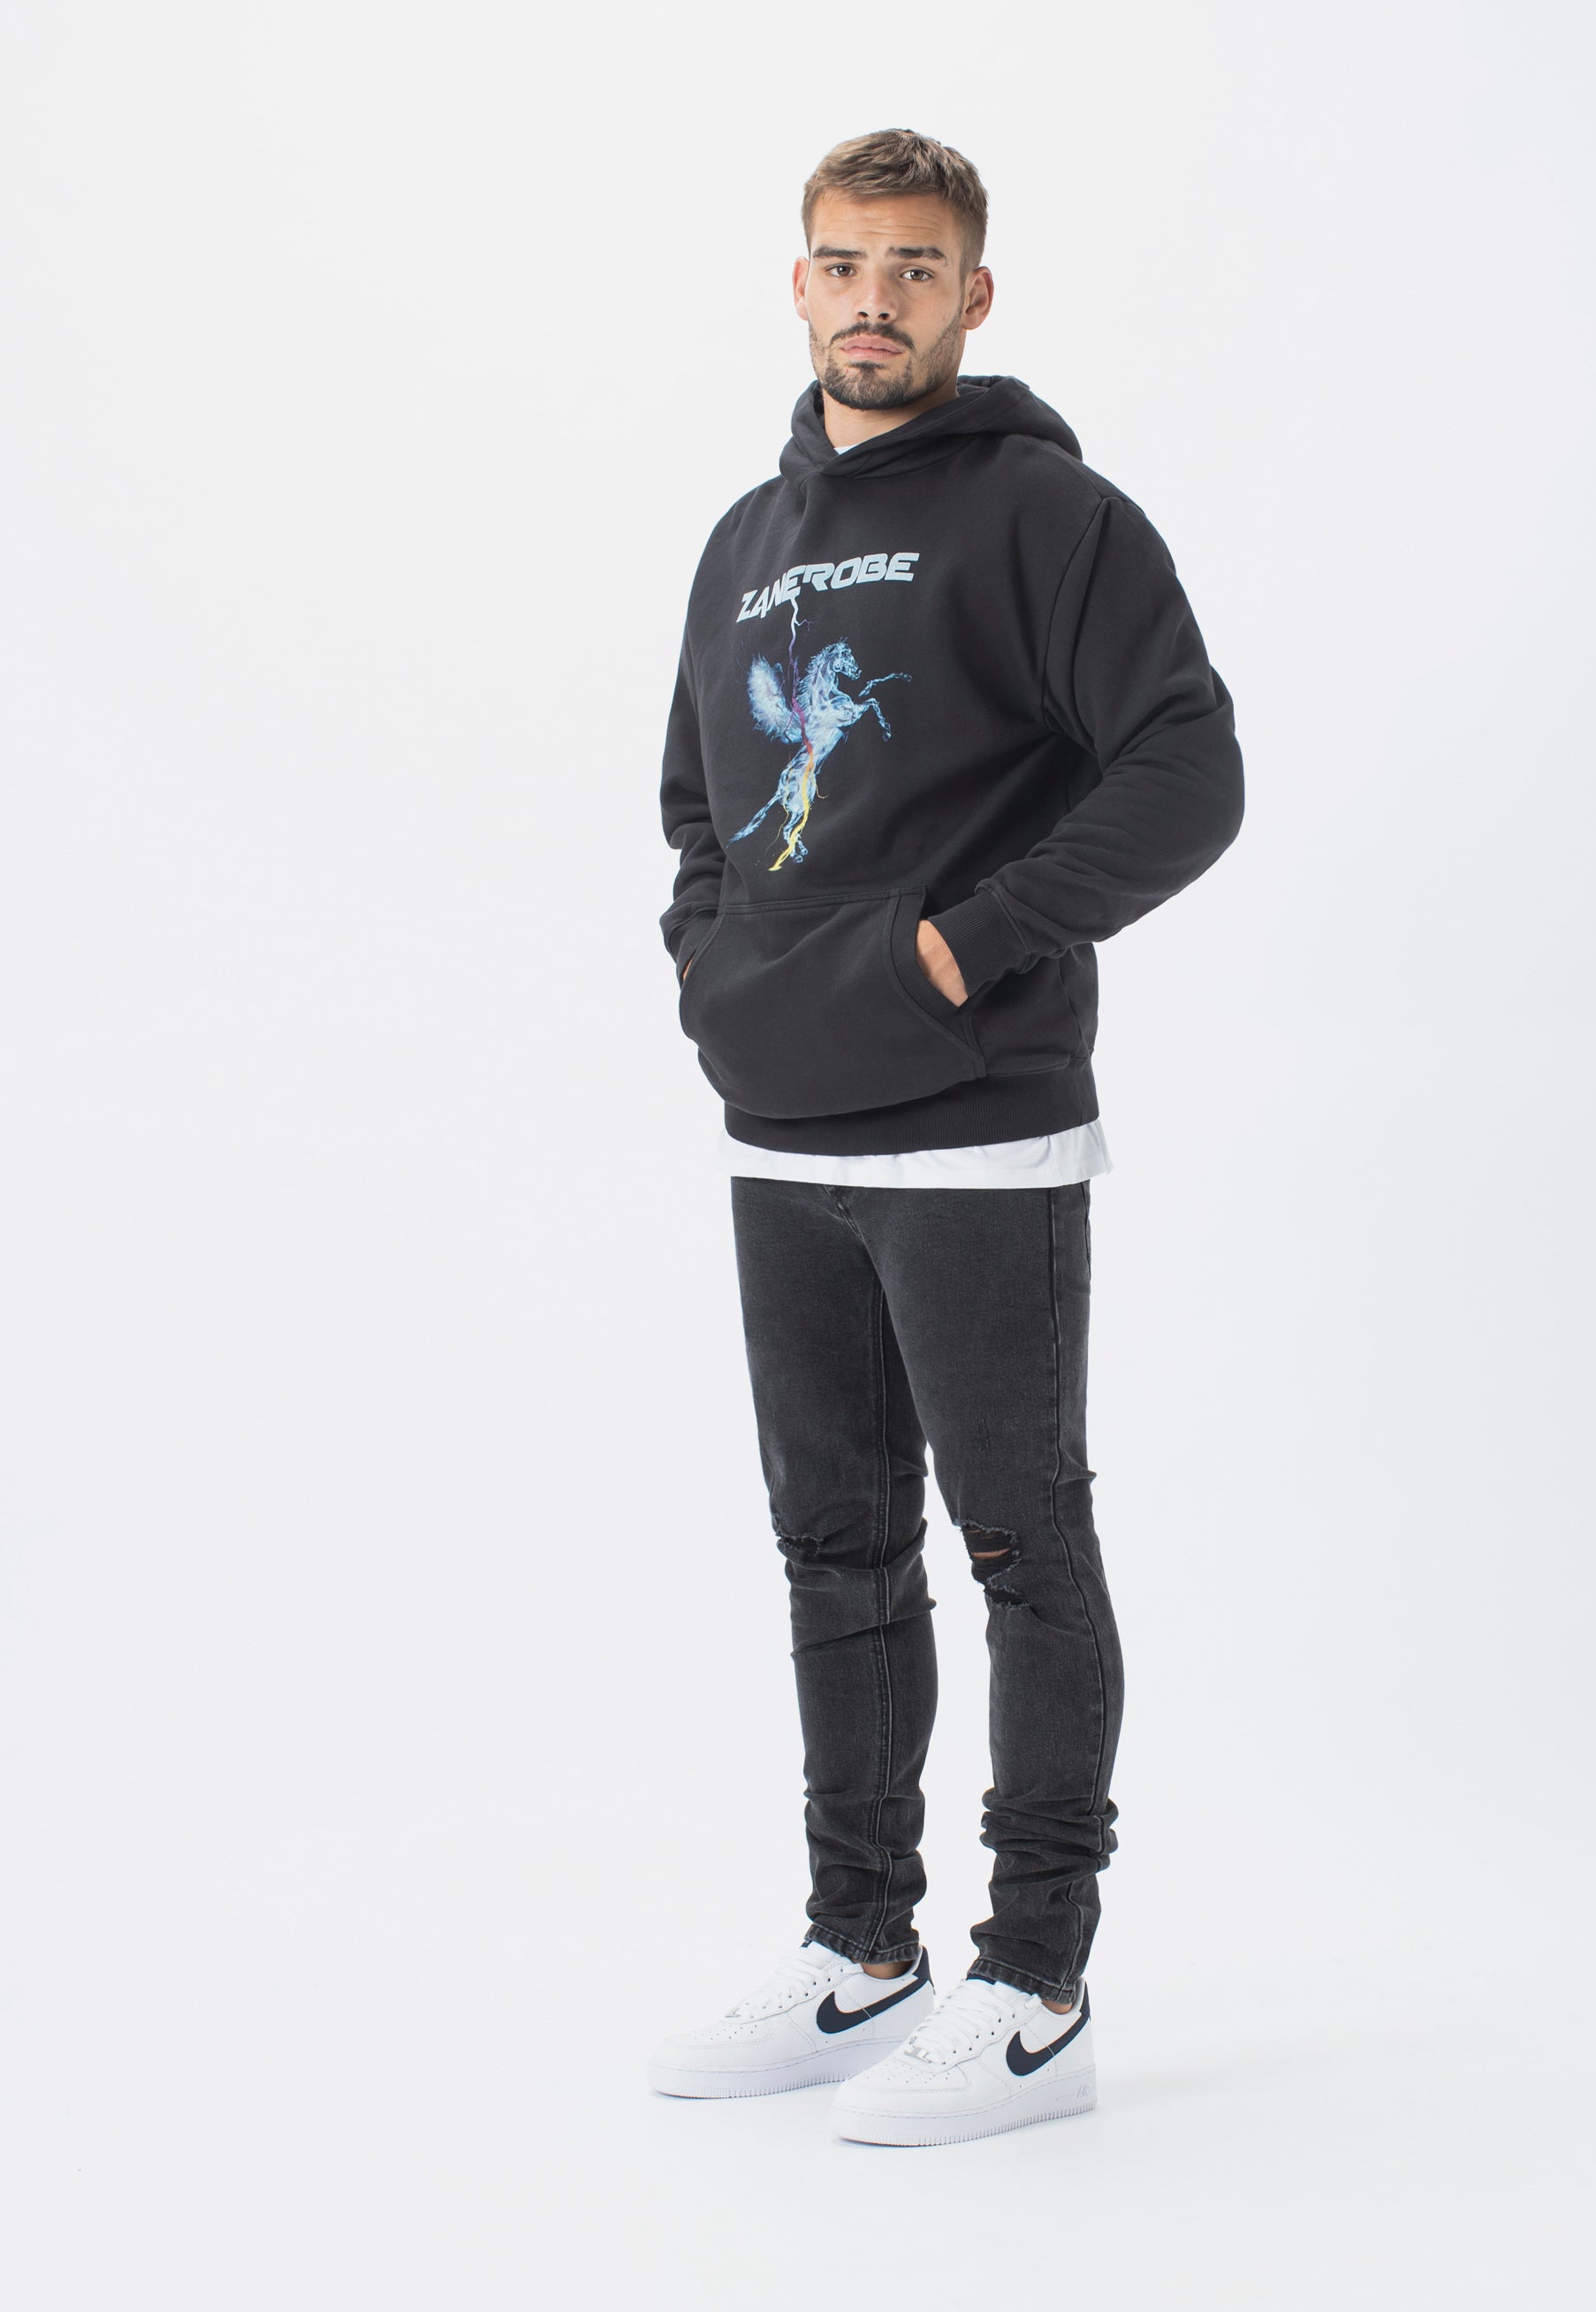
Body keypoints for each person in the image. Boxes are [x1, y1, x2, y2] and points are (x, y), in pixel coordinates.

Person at [648, 128, 1243, 2146]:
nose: (874, 298)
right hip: (780, 1129)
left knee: (1017, 1544)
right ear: (797, 285)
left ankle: (1035, 1981)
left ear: (973, 294)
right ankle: (860, 1945)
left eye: (914, 266)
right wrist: (715, 973)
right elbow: (695, 808)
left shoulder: (1047, 515)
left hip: (978, 1130)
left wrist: (963, 949)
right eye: (842, 263)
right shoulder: (743, 538)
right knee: (832, 1544)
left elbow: (1189, 769)